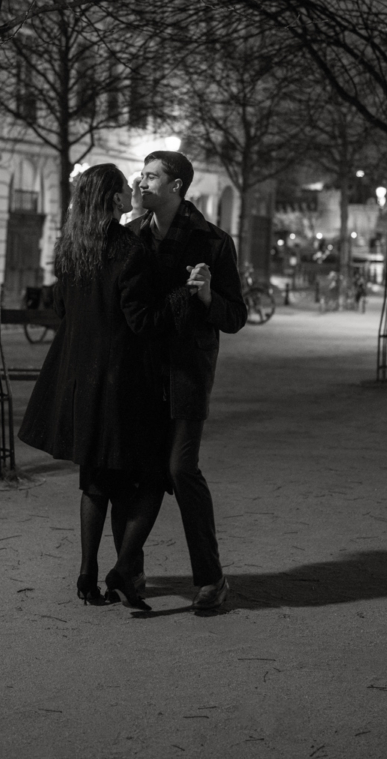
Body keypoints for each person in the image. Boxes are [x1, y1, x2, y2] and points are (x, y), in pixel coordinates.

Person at [17, 163, 181, 611]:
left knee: (95, 481)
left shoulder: (69, 249)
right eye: (125, 187)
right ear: (110, 198)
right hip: (123, 381)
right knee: (152, 474)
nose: (133, 189)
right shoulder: (129, 249)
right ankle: (124, 568)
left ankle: (87, 576)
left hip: (77, 379)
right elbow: (142, 321)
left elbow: (64, 310)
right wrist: (182, 296)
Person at [123, 150, 247, 610]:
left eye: (152, 176)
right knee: (137, 471)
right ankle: (130, 572)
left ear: (176, 186)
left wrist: (209, 297)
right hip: (138, 372)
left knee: (180, 468)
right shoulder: (131, 231)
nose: (142, 181)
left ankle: (211, 579)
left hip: (187, 373)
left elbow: (235, 317)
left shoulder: (212, 241)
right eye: (142, 173)